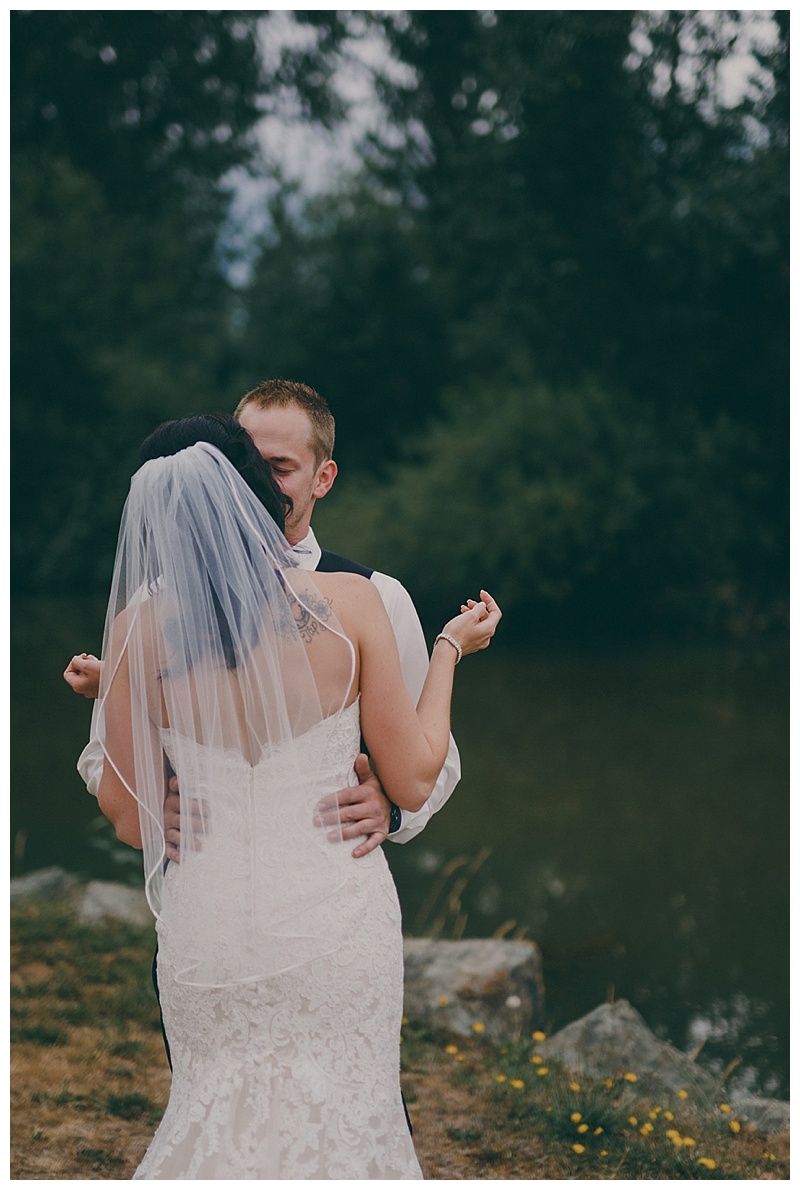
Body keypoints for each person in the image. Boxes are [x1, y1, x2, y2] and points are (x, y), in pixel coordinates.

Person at [89, 413, 500, 1177]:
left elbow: (126, 815)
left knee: (214, 1114)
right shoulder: (348, 605)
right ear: (256, 496)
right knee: (345, 1120)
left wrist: (164, 783)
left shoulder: (135, 630)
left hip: (206, 920)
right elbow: (413, 775)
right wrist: (448, 651)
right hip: (331, 920)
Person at [66, 379, 461, 859]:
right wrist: (157, 804)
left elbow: (431, 768)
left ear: (323, 477)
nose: (256, 484)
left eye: (280, 467)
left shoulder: (380, 596)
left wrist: (393, 810)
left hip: (329, 867)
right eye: (245, 465)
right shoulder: (155, 603)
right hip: (203, 868)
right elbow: (99, 755)